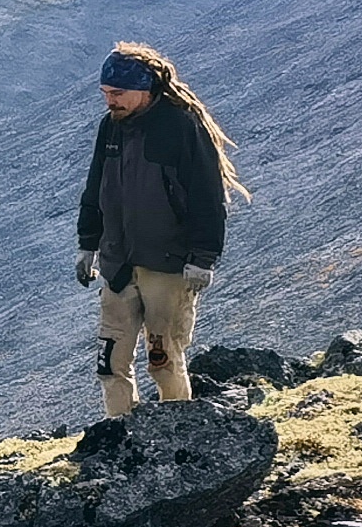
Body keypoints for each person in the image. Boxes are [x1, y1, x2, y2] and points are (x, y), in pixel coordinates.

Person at [73, 42, 247, 419]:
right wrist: (88, 244)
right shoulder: (112, 128)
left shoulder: (182, 127)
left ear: (145, 88)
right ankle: (118, 437)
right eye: (105, 94)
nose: (109, 102)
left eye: (117, 94)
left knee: (163, 359)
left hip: (168, 267)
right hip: (118, 265)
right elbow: (97, 186)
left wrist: (203, 258)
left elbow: (207, 195)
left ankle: (175, 432)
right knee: (110, 363)